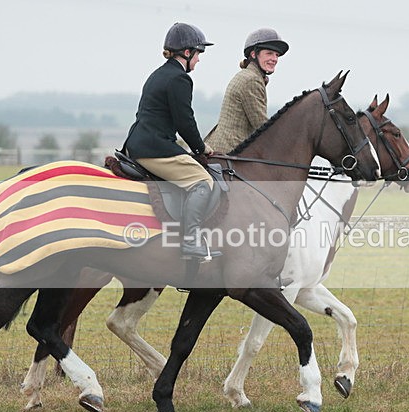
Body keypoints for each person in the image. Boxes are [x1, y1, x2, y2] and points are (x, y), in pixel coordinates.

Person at [122, 22, 221, 260]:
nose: (199, 60)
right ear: (187, 53)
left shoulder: (158, 73)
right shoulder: (179, 79)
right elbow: (185, 121)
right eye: (198, 54)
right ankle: (191, 241)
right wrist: (200, 148)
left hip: (140, 142)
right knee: (202, 182)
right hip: (154, 148)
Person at [206, 28, 289, 153]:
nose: (274, 59)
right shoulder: (252, 80)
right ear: (254, 54)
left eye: (277, 55)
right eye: (269, 53)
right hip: (230, 152)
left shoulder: (248, 75)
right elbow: (261, 126)